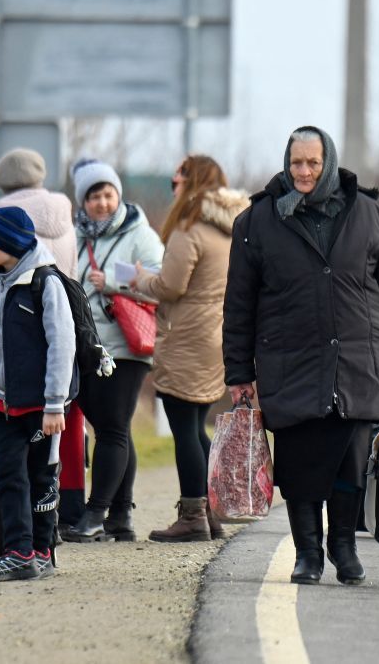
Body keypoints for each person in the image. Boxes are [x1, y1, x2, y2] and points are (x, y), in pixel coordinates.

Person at [223, 126, 379, 585]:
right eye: (296, 163)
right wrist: (238, 371)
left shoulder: (369, 212)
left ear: (328, 162)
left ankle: (344, 548)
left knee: (350, 464)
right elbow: (239, 304)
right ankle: (307, 553)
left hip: (358, 363)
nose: (304, 172)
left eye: (313, 162)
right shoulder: (257, 222)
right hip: (291, 363)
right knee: (299, 467)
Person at [0, 148, 87, 532]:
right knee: (44, 467)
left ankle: (26, 544)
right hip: (47, 371)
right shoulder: (65, 219)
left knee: (14, 467)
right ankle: (37, 541)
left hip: (14, 375)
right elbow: (73, 285)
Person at [131, 155, 249, 542]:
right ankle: (210, 511)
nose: (173, 186)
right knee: (196, 426)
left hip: (187, 335)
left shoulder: (190, 228)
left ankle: (193, 515)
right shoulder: (230, 228)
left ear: (191, 182)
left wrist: (140, 279)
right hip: (216, 334)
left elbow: (171, 285)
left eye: (176, 180)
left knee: (184, 429)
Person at [0, 206, 77, 581]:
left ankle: (41, 551)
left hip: (42, 407)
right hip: (1, 404)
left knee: (42, 479)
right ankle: (19, 553)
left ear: (9, 243)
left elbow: (62, 345)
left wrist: (55, 404)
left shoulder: (45, 283)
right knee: (10, 477)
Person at [65, 159, 164, 543]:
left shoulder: (140, 233)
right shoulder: (74, 236)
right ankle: (120, 516)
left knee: (110, 429)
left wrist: (113, 281)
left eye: (108, 194)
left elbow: (161, 281)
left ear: (118, 195)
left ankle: (95, 513)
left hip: (125, 344)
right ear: (83, 201)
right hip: (87, 346)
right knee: (115, 428)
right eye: (94, 197)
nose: (102, 203)